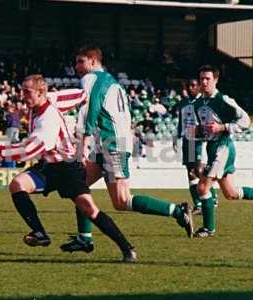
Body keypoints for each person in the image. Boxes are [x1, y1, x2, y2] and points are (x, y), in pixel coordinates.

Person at [0, 74, 137, 262]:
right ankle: (39, 233)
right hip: (48, 167)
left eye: (27, 92)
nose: (23, 96)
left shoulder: (48, 120)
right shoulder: (47, 101)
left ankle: (127, 249)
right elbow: (80, 95)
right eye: (22, 91)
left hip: (67, 169)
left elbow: (30, 149)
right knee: (17, 184)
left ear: (41, 92)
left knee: (90, 210)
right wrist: (85, 99)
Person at [60, 46, 193, 253]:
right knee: (78, 184)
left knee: (122, 201)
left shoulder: (92, 78)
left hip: (112, 145)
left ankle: (178, 211)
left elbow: (90, 110)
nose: (76, 67)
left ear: (93, 61)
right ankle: (85, 238)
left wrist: (82, 146)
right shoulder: (112, 82)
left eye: (80, 61)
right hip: (110, 142)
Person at [192, 65, 253, 237]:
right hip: (212, 148)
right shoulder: (197, 103)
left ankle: (208, 228)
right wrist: (198, 132)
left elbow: (246, 121)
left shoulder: (223, 100)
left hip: (223, 148)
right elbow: (204, 131)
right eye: (201, 78)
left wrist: (222, 127)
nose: (204, 82)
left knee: (202, 188)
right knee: (231, 193)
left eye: (208, 78)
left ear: (216, 80)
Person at [173, 78, 217, 215]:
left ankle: (213, 197)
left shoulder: (203, 102)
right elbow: (181, 121)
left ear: (198, 87)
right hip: (187, 141)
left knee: (199, 170)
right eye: (189, 85)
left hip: (198, 141)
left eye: (193, 85)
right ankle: (198, 204)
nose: (191, 87)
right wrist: (176, 138)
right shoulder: (184, 103)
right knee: (190, 173)